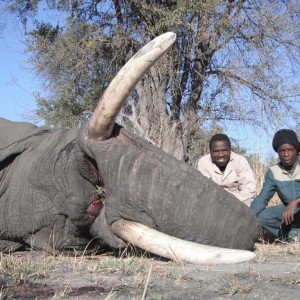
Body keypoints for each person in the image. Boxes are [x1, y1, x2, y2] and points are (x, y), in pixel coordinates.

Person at [250, 129, 300, 243]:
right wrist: (247, 217)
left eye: (290, 150)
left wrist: (297, 200)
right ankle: (293, 236)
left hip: (296, 207)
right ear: (277, 152)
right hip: (291, 213)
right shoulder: (273, 172)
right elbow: (262, 199)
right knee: (263, 217)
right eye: (282, 150)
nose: (286, 154)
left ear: (296, 151)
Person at [197, 133, 256, 206]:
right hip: (213, 201)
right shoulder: (204, 162)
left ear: (230, 150)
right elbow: (204, 188)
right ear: (210, 151)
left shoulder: (240, 161)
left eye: (224, 150)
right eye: (216, 151)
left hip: (239, 201)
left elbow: (249, 189)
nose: (221, 155)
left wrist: (229, 200)